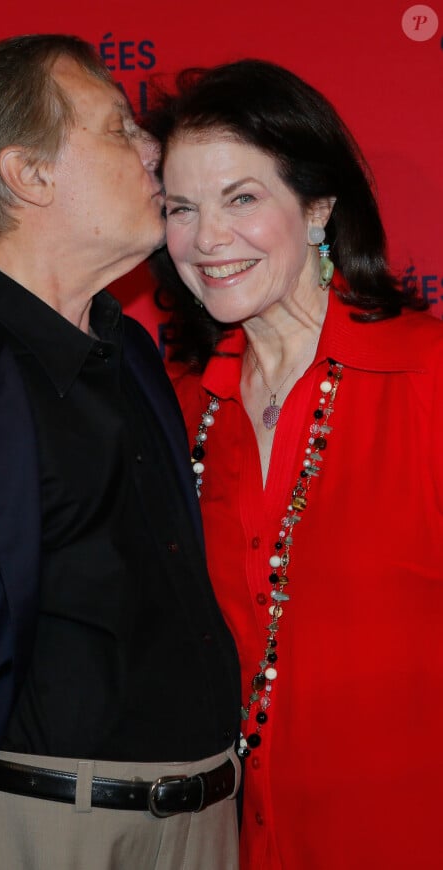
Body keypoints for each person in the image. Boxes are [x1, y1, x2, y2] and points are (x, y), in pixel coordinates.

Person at [0, 35, 242, 870]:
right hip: (29, 834)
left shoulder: (136, 354)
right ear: (28, 174)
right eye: (118, 127)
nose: (153, 149)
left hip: (208, 826)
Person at [145, 59, 443, 869]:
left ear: (318, 207)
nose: (207, 238)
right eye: (181, 208)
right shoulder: (179, 412)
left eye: (242, 198)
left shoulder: (426, 379)